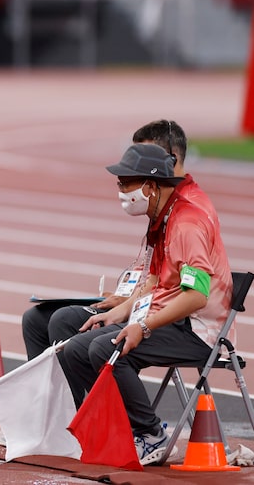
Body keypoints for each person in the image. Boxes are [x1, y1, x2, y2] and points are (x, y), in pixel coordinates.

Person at [59, 142, 232, 466]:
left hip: (198, 331)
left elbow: (197, 295)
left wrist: (142, 325)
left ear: (151, 186)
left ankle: (150, 434)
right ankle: (117, 430)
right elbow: (152, 284)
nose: (121, 191)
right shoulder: (162, 219)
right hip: (166, 318)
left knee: (104, 349)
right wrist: (119, 313)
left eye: (126, 183)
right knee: (77, 349)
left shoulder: (185, 224)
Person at [21, 119, 218, 361]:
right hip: (150, 307)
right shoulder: (161, 209)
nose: (125, 186)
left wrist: (139, 319)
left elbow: (193, 292)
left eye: (144, 158)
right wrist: (125, 301)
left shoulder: (188, 214)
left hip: (184, 323)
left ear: (170, 162)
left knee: (78, 337)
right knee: (37, 319)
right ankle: (56, 399)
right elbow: (156, 278)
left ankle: (89, 399)